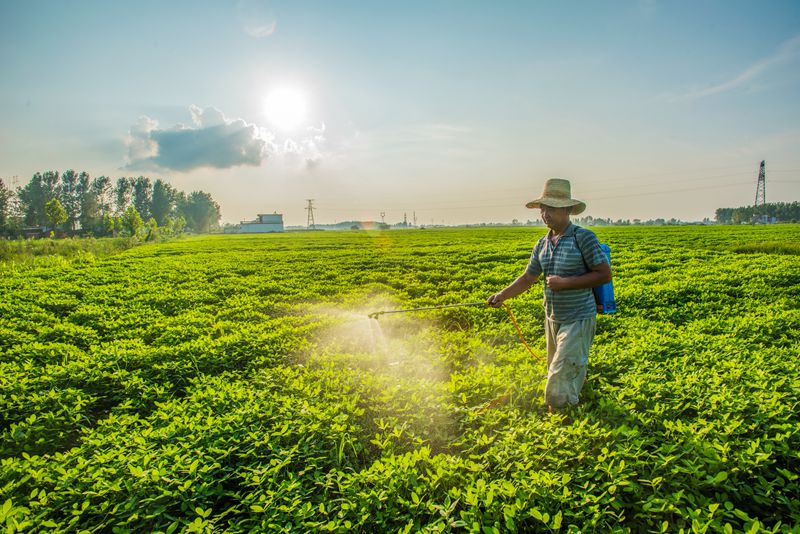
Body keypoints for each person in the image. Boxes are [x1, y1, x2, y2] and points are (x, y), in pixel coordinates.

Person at [487, 178, 611, 413]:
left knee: (560, 374)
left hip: (578, 316)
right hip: (553, 317)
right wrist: (502, 295)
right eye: (543, 208)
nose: (545, 214)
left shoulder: (583, 238)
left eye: (551, 208)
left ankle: (564, 419)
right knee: (559, 367)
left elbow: (604, 274)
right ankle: (566, 408)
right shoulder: (542, 243)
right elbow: (528, 278)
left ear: (567, 210)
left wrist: (566, 283)